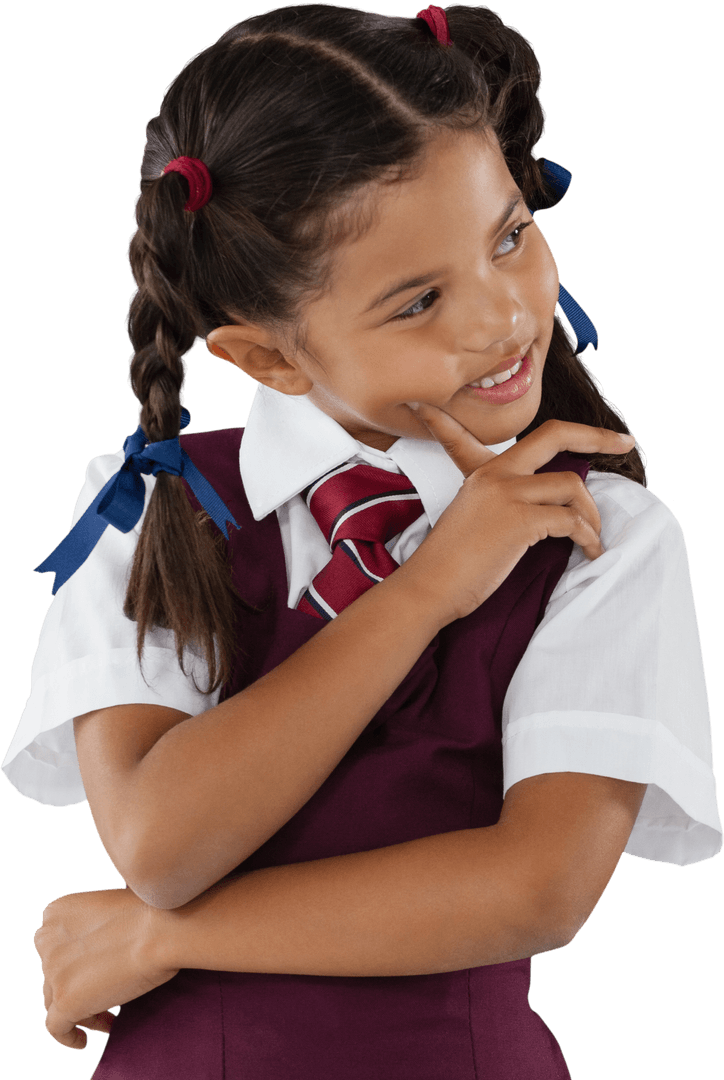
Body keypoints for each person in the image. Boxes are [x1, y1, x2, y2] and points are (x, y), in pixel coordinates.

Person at [3, 4, 721, 1078]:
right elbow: (160, 842)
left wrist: (170, 939)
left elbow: (537, 889)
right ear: (267, 358)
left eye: (511, 236)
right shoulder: (153, 505)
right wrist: (425, 590)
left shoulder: (601, 532)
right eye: (419, 299)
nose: (502, 319)